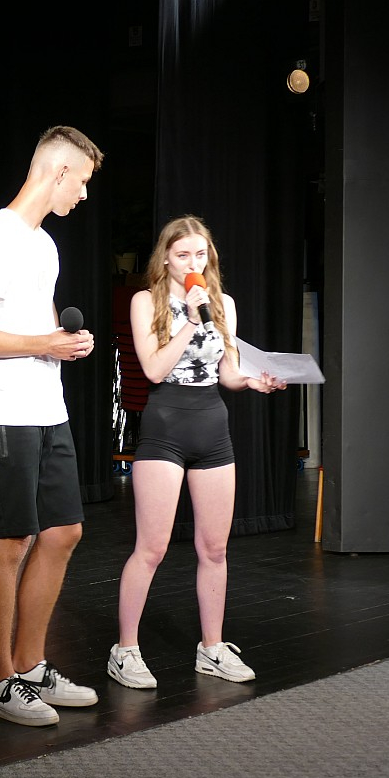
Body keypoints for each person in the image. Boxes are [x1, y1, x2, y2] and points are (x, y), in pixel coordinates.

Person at [0, 125, 103, 726]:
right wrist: (45, 344)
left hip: (47, 408)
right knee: (12, 540)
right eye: (82, 182)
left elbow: (32, 326)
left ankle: (32, 666)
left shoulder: (45, 245)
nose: (84, 195)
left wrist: (61, 341)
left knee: (63, 532)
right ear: (59, 172)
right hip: (1, 411)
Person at [107, 215, 285, 689]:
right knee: (152, 547)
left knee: (215, 548)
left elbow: (227, 372)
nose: (193, 263)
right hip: (165, 428)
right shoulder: (146, 301)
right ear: (165, 258)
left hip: (212, 427)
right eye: (183, 254)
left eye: (200, 254)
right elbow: (154, 370)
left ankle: (212, 648)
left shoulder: (222, 304)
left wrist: (253, 381)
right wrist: (188, 320)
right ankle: (125, 650)